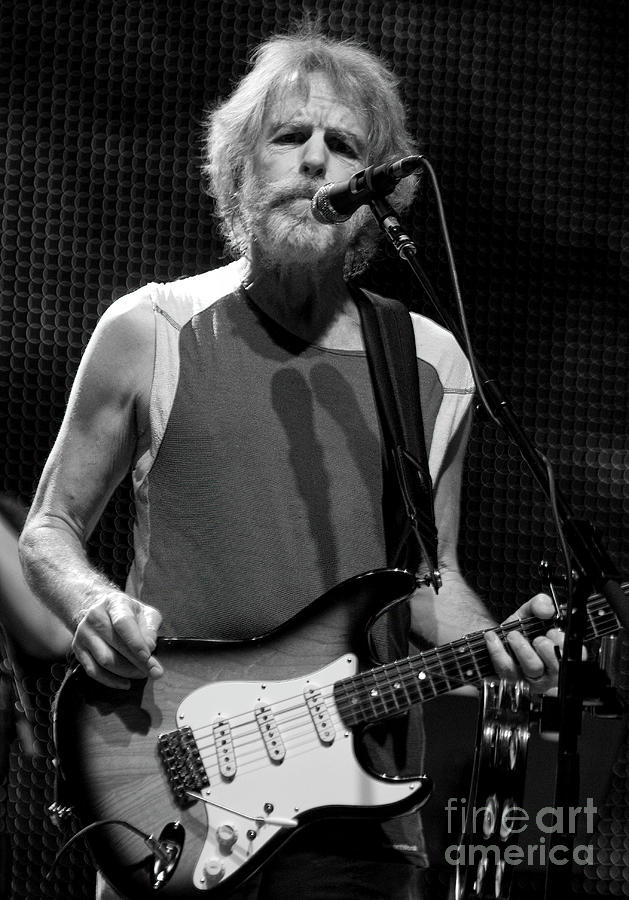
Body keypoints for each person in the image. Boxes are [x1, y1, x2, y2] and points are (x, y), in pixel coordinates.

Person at [18, 28, 562, 900]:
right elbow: (48, 528)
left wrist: (504, 646)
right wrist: (97, 604)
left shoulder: (430, 363)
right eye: (289, 138)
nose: (316, 163)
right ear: (240, 168)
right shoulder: (148, 329)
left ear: (375, 198)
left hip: (357, 811)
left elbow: (429, 578)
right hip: (174, 785)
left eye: (343, 146)